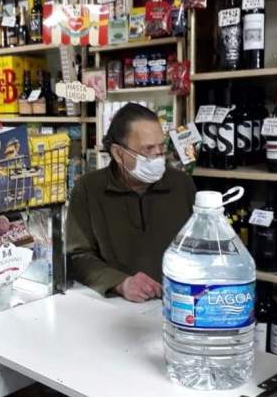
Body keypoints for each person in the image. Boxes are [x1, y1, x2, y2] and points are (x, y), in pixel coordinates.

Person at [66, 103, 196, 302]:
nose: (158, 156)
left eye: (161, 146)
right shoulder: (88, 189)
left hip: (181, 303)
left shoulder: (182, 185)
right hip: (117, 306)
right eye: (148, 149)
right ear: (118, 153)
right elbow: (78, 256)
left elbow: (203, 248)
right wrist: (120, 282)